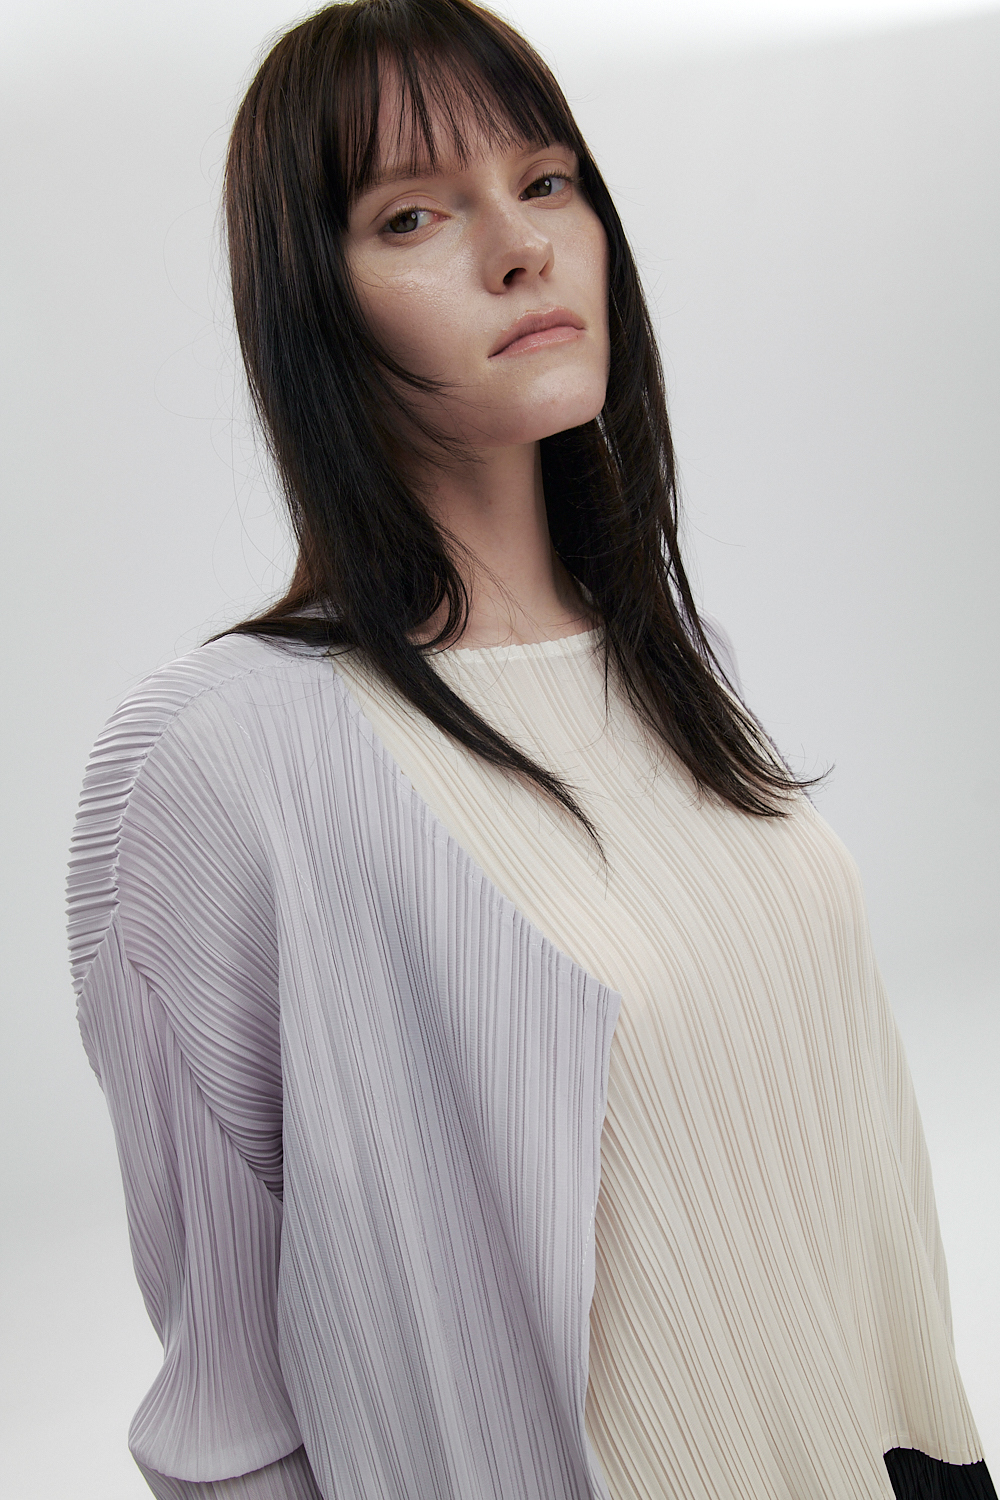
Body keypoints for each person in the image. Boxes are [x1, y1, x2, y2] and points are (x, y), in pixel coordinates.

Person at [66, 2, 995, 1497]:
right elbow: (224, 1423)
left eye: (546, 181)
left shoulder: (672, 668)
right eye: (414, 214)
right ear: (315, 306)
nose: (520, 249)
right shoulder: (226, 755)